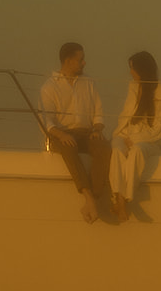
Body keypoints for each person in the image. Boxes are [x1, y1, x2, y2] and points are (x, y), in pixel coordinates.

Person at [39, 42, 111, 223]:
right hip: (62, 133)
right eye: (81, 59)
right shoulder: (49, 87)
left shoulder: (88, 82)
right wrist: (62, 135)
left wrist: (97, 129)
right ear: (68, 61)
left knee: (103, 146)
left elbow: (98, 112)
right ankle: (88, 197)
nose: (84, 63)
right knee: (68, 148)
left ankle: (94, 196)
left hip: (87, 133)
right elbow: (46, 121)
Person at [109, 51, 161, 221]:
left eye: (132, 68)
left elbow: (160, 127)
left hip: (150, 139)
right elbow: (127, 115)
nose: (130, 72)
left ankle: (124, 199)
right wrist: (123, 135)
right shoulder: (133, 88)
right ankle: (120, 199)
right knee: (117, 150)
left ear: (142, 69)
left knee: (136, 151)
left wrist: (136, 138)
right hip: (126, 133)